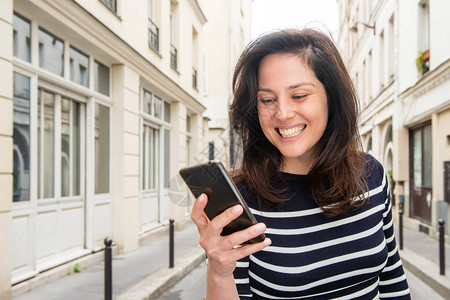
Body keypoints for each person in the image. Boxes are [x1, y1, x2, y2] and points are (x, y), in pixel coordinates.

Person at [190, 28, 410, 299]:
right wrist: (219, 271)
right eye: (268, 100)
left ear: (332, 97)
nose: (282, 113)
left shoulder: (371, 174)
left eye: (299, 95)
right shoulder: (240, 200)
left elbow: (392, 278)